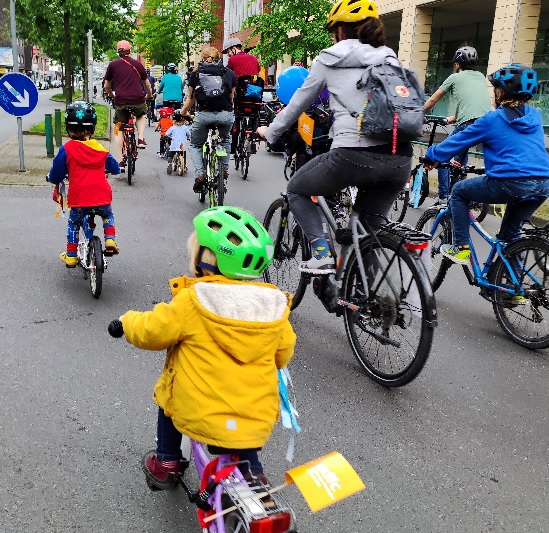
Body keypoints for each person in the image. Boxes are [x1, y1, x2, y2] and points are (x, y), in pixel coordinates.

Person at [114, 206, 296, 491]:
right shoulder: (272, 307)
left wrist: (126, 322)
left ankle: (167, 464)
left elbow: (152, 330)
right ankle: (253, 475)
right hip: (256, 418)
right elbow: (283, 353)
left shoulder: (193, 301)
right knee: (244, 420)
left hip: (199, 411)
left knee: (170, 400)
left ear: (205, 261)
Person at [257, 0, 413, 274]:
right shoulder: (389, 57)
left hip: (353, 154)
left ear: (340, 30)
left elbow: (297, 104)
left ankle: (320, 252)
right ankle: (371, 305)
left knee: (296, 189)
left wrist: (270, 132)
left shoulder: (329, 58)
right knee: (368, 234)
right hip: (400, 158)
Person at [423, 64, 549, 281]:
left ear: (502, 92)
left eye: (496, 90)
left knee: (460, 191)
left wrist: (432, 156)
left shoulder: (493, 119)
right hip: (543, 184)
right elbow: (520, 151)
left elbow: (458, 140)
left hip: (510, 182)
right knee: (511, 235)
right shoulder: (534, 116)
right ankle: (512, 289)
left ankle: (460, 247)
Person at [47, 101, 121, 267]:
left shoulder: (66, 149)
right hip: (102, 197)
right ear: (92, 128)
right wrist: (111, 170)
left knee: (74, 223)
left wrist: (52, 179)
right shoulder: (100, 148)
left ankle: (72, 255)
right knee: (107, 215)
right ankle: (110, 240)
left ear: (68, 127)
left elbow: (57, 172)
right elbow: (115, 168)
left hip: (79, 200)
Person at [423, 46, 492, 205]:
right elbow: (472, 102)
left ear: (457, 64)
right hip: (486, 124)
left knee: (442, 156)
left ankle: (443, 197)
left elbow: (433, 100)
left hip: (469, 125)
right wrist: (453, 118)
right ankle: (461, 195)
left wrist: (418, 113)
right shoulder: (480, 76)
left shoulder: (455, 77)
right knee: (460, 163)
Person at [181, 47, 237, 193]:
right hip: (225, 115)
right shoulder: (229, 72)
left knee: (195, 145)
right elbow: (232, 96)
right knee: (225, 139)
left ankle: (200, 174)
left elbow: (190, 99)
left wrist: (183, 113)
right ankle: (224, 171)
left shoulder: (196, 74)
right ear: (218, 58)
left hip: (204, 115)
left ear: (203, 57)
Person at [104, 40, 153, 164]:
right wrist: (149, 95)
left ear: (118, 52)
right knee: (141, 114)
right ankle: (141, 138)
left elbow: (106, 86)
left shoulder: (112, 65)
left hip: (121, 100)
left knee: (118, 127)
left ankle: (120, 161)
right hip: (138, 99)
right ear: (130, 51)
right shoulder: (138, 64)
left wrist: (112, 96)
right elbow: (146, 83)